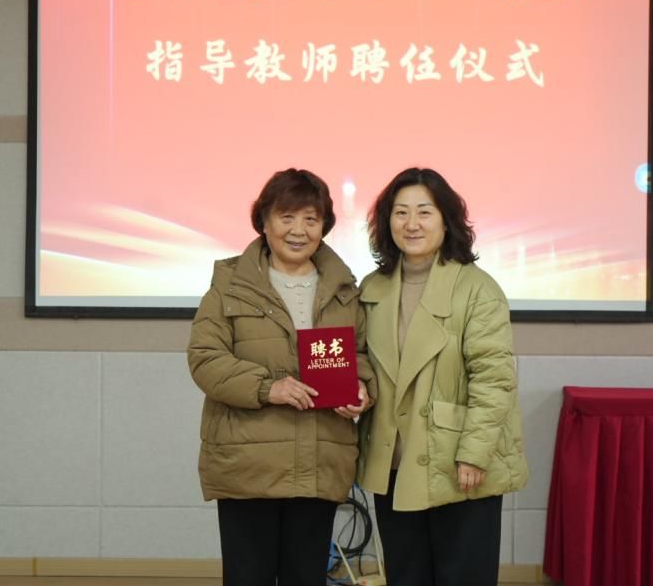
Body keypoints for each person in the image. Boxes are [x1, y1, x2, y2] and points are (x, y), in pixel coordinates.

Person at [187, 168, 375, 586]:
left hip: (319, 463)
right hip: (248, 465)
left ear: (324, 225)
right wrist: (267, 387)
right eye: (286, 217)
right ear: (264, 221)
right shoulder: (230, 286)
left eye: (311, 219)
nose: (298, 230)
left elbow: (362, 357)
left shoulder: (344, 290)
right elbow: (205, 358)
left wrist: (361, 390)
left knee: (306, 577)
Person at [357, 167, 528, 586]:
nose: (411, 223)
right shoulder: (372, 288)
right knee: (406, 576)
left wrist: (474, 453)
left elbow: (493, 379)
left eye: (424, 212)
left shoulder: (477, 288)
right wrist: (357, 388)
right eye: (400, 212)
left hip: (458, 463)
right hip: (395, 462)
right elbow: (363, 361)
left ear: (447, 220)